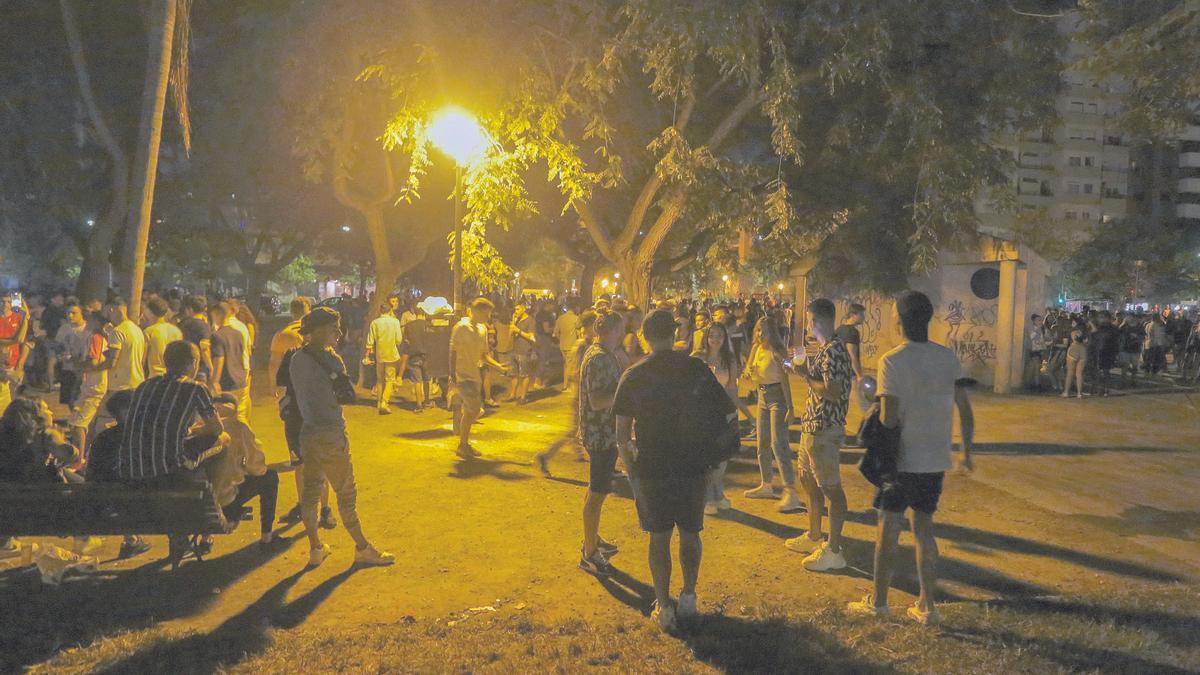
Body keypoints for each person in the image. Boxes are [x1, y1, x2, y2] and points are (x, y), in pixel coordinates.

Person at [847, 291, 974, 625]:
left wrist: (871, 410)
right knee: (924, 529)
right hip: (935, 459)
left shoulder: (893, 360)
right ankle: (927, 605)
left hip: (902, 459)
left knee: (887, 528)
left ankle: (879, 602)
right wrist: (966, 452)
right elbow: (965, 409)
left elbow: (889, 418)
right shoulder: (947, 359)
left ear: (899, 321)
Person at [613, 309, 733, 633]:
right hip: (693, 465)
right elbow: (724, 409)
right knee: (691, 532)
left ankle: (664, 606)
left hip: (653, 467)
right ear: (675, 334)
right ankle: (689, 596)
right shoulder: (695, 368)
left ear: (644, 337)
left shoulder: (634, 375)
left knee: (659, 536)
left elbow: (622, 432)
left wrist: (629, 464)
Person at [289, 307, 393, 568]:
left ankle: (315, 548)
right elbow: (347, 394)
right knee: (346, 493)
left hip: (308, 432)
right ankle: (362, 548)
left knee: (310, 493)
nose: (338, 333)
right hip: (331, 433)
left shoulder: (296, 359)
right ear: (322, 330)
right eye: (335, 328)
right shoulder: (332, 359)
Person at [785, 299, 853, 572]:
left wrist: (802, 374)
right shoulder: (826, 349)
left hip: (825, 428)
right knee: (808, 480)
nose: (807, 325)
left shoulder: (834, 350)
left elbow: (832, 391)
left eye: (810, 320)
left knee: (831, 489)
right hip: (812, 426)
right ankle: (814, 535)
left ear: (818, 320)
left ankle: (834, 550)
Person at [118, 340, 225, 483]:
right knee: (223, 439)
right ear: (194, 363)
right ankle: (215, 498)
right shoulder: (195, 388)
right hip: (170, 471)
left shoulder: (145, 386)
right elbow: (217, 428)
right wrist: (194, 431)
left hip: (133, 470)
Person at [576, 311, 626, 577]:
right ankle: (589, 554)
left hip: (602, 432)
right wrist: (626, 391)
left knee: (596, 490)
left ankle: (591, 539)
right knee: (596, 494)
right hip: (600, 434)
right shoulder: (599, 359)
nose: (623, 335)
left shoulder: (601, 354)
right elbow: (597, 400)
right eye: (620, 330)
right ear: (612, 330)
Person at [741, 317, 802, 512]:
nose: (760, 334)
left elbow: (786, 380)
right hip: (762, 396)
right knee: (762, 443)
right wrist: (748, 373)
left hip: (777, 398)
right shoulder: (756, 349)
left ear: (772, 333)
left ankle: (790, 491)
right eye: (758, 330)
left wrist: (790, 406)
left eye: (764, 331)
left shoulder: (777, 352)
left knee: (778, 444)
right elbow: (748, 372)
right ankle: (766, 484)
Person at [84, 389, 152, 559]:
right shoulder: (146, 436)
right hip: (146, 507)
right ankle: (132, 539)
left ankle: (131, 539)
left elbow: (91, 474)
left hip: (106, 506)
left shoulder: (103, 438)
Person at [209, 393, 279, 546]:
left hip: (194, 504)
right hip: (226, 504)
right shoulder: (239, 425)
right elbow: (257, 468)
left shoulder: (196, 425)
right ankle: (267, 537)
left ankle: (203, 538)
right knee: (270, 477)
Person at [449, 298, 508, 458]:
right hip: (462, 375)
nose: (487, 317)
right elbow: (453, 352)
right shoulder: (460, 327)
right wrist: (452, 376)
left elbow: (484, 355)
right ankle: (462, 444)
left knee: (472, 410)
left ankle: (463, 441)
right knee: (474, 409)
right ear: (475, 311)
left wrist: (499, 367)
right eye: (485, 314)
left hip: (475, 376)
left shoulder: (482, 329)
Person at [692, 320, 738, 515]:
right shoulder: (698, 357)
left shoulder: (729, 360)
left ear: (725, 338)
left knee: (723, 454)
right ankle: (709, 496)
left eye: (719, 335)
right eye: (712, 335)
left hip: (723, 410)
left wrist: (734, 411)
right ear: (706, 337)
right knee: (708, 455)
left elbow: (733, 386)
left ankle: (718, 492)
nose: (715, 339)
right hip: (703, 411)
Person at [91, 297, 145, 437]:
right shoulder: (136, 329)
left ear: (111, 310)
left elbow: (112, 362)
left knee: (98, 422)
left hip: (120, 386)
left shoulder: (118, 332)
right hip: (137, 383)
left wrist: (92, 369)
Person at [67, 310, 111, 456]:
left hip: (94, 387)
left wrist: (75, 363)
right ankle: (83, 454)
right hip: (92, 385)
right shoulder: (97, 337)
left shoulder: (96, 338)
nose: (87, 322)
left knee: (78, 424)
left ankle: (79, 458)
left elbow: (93, 362)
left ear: (97, 323)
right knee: (83, 423)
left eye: (90, 320)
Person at [209, 301, 251, 422]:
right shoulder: (238, 333)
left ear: (217, 315)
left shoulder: (217, 336)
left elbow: (219, 359)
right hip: (241, 381)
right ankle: (246, 440)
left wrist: (215, 381)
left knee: (225, 420)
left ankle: (240, 440)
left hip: (227, 382)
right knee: (240, 417)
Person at [365, 295, 404, 415]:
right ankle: (384, 402)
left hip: (379, 354)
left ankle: (378, 401)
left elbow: (370, 341)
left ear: (380, 311)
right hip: (392, 354)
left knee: (380, 379)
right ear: (389, 310)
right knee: (390, 379)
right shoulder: (395, 322)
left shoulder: (374, 323)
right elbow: (399, 340)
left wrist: (368, 354)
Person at [0, 291, 29, 414]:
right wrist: (26, 318)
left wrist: (21, 364)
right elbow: (17, 339)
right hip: (3, 364)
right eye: (3, 301)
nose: (5, 304)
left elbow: (25, 342)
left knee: (13, 399)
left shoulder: (18, 318)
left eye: (8, 301)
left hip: (13, 363)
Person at [179, 295, 216, 388]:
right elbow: (205, 348)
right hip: (200, 368)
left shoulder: (181, 324)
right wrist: (211, 367)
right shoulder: (204, 326)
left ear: (190, 309)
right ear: (205, 309)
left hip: (182, 366)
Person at [144, 296, 183, 377]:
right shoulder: (177, 331)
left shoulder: (149, 331)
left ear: (150, 312)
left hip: (154, 376)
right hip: (173, 376)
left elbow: (142, 360)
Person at [554, 299, 581, 390]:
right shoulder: (576, 319)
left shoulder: (560, 318)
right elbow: (578, 333)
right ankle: (568, 385)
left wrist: (561, 339)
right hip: (572, 345)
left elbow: (556, 333)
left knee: (566, 364)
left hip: (563, 345)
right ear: (575, 308)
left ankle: (566, 384)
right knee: (571, 365)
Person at [1061, 328, 1087, 399]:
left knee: (1070, 373)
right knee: (1079, 374)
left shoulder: (1073, 332)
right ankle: (1079, 393)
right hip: (1082, 350)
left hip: (1073, 349)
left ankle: (1066, 392)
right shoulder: (1082, 336)